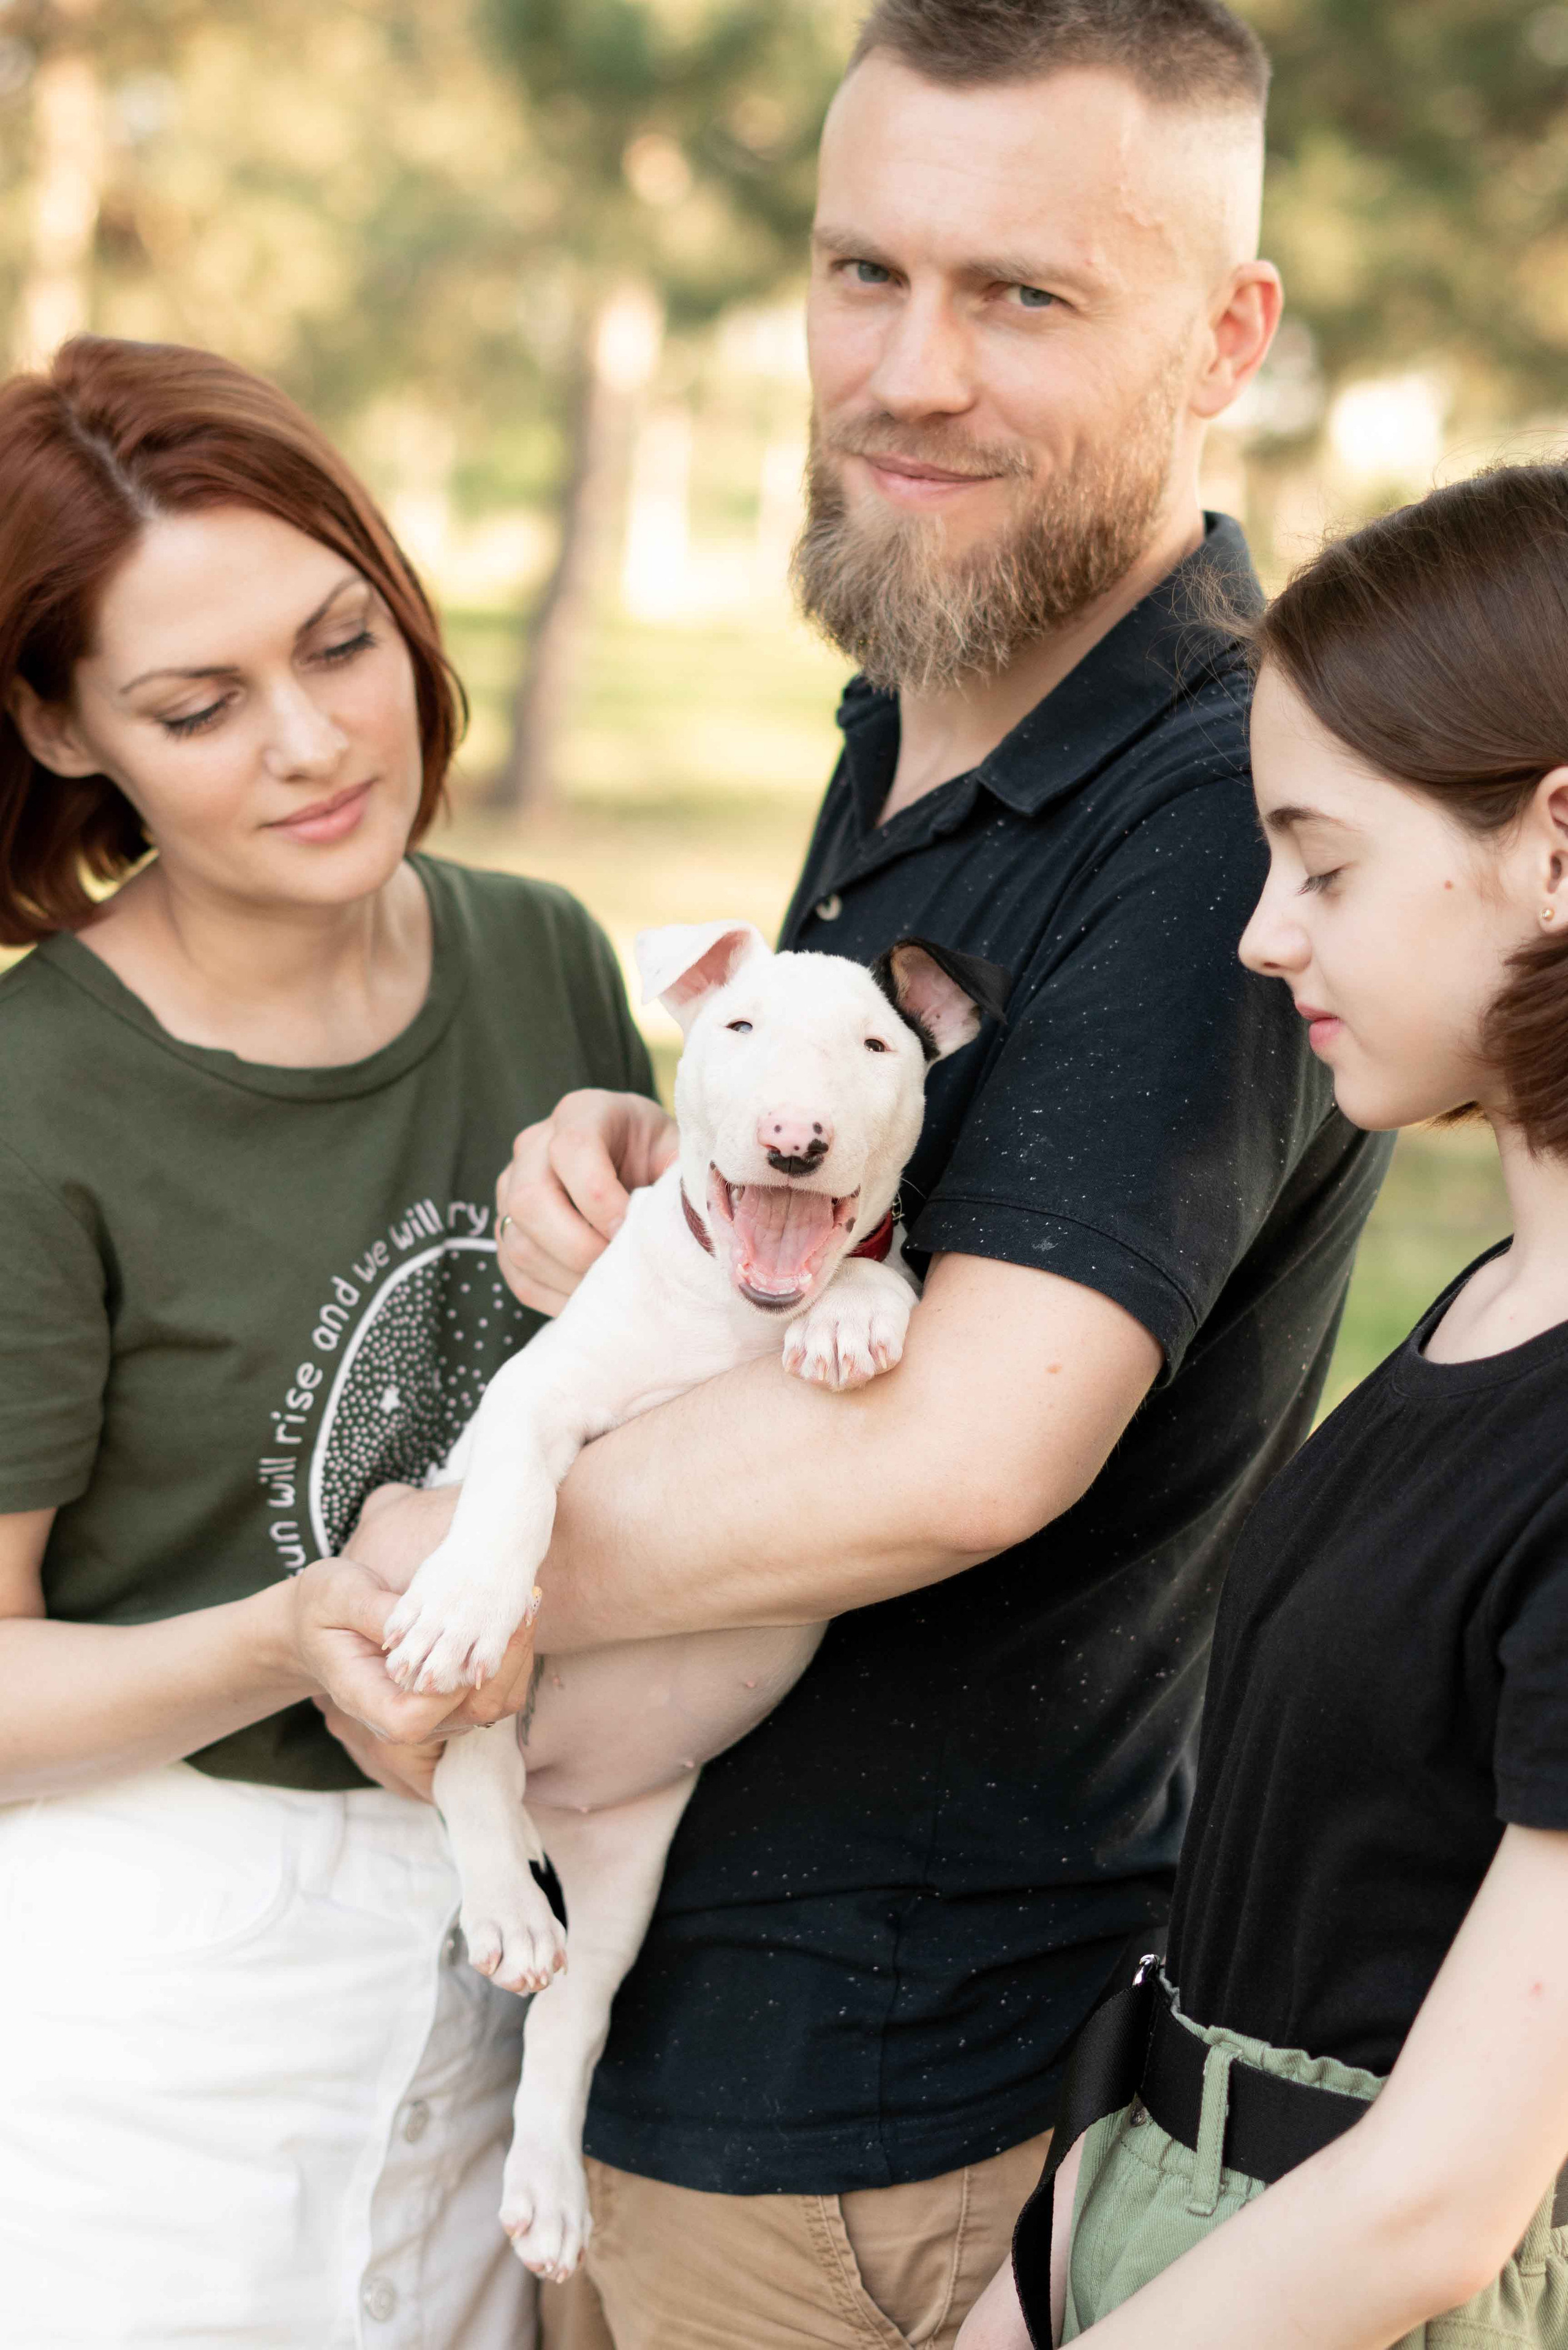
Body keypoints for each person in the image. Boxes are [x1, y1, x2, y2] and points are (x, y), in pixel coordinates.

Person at [350, 6, 1390, 2345]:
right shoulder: (926, 699)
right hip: (646, 2028)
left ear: (1227, 338)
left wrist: (440, 1576)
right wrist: (665, 1182)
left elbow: (959, 1444)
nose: (909, 372)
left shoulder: (1217, 798)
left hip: (875, 2112)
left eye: (1023, 296)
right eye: (862, 274)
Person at [0, 335, 652, 2350]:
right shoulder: (35, 1105)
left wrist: (671, 1187)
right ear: (59, 727)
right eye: (198, 706)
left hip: (505, 1941)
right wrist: (292, 1634)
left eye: (341, 642)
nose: (308, 740)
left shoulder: (542, 950)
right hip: (143, 2014)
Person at [961, 462, 1568, 2350]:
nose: (1263, 935)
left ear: (1557, 850)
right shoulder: (1488, 1307)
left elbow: (1435, 2206)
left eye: (1326, 863)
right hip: (1152, 2227)